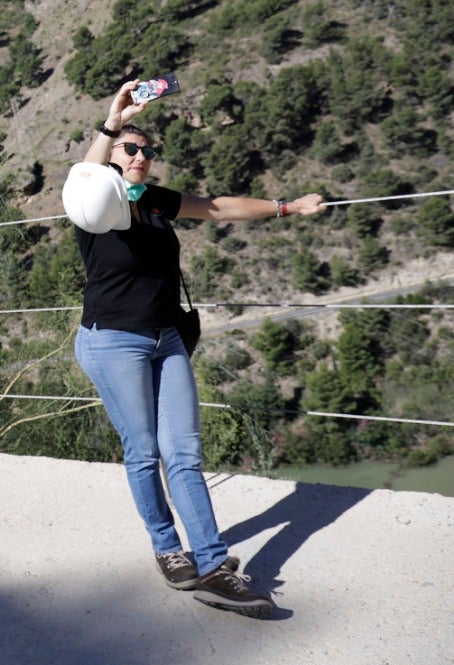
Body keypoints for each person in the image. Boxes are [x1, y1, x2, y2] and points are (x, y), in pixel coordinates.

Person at [72, 80, 325, 618]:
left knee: (183, 453)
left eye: (147, 151)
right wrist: (111, 120)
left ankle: (211, 566)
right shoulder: (93, 202)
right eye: (130, 149)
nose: (141, 157)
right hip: (113, 342)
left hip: (166, 337)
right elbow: (86, 177)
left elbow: (216, 208)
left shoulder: (156, 201)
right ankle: (168, 549)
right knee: (143, 451)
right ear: (114, 152)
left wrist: (287, 207)